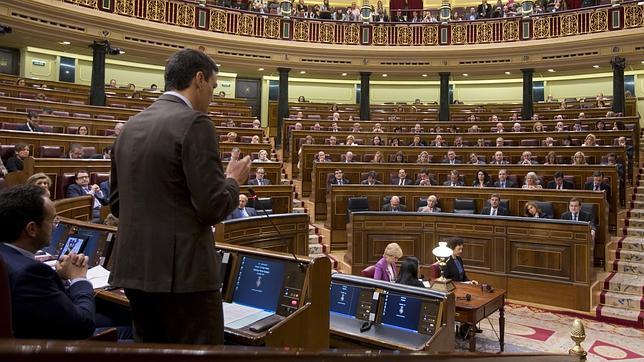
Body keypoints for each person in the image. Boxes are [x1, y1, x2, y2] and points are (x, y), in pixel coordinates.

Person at [108, 49, 251, 345]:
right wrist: (233, 181)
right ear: (199, 79)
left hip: (134, 270)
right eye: (213, 86)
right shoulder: (195, 123)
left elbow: (118, 205)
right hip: (183, 277)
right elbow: (213, 207)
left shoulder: (130, 126)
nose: (213, 95)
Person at [0, 185, 95, 339]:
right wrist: (79, 279)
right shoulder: (31, 273)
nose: (55, 227)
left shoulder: (6, 255)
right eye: (53, 221)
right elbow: (83, 326)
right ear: (32, 229)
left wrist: (59, 276)